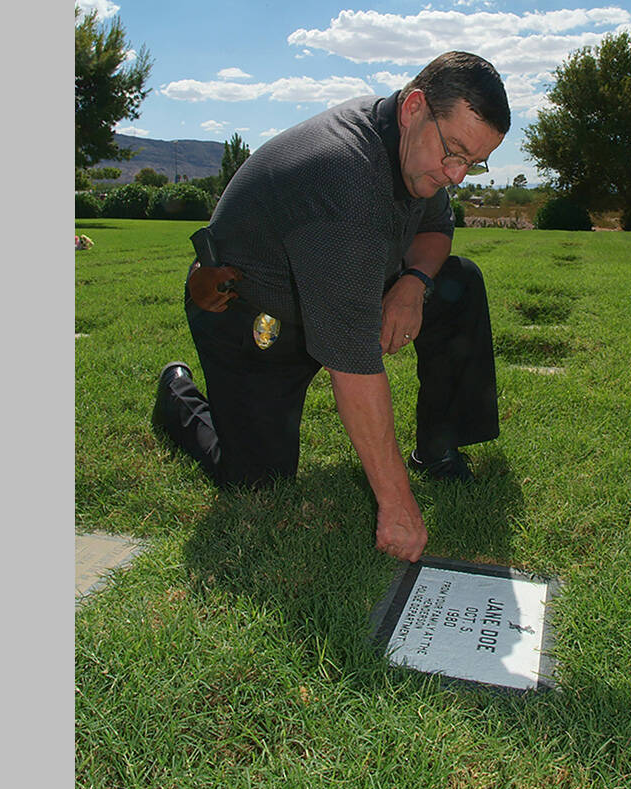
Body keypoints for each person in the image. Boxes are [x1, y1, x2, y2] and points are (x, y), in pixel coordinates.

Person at [152, 51, 511, 563]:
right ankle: (176, 395)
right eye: (453, 153)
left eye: (472, 164)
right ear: (413, 108)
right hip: (253, 313)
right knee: (258, 483)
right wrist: (398, 507)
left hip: (338, 289)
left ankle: (439, 446)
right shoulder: (345, 173)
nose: (456, 175)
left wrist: (411, 283)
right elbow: (353, 365)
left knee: (457, 282)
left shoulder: (417, 154)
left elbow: (435, 229)